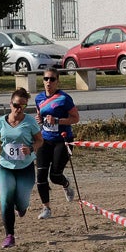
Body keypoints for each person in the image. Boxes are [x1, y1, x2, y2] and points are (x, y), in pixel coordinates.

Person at [0, 88, 43, 249]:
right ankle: (9, 236)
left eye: (23, 106)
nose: (19, 109)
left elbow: (40, 140)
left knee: (22, 202)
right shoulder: (0, 122)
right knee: (6, 199)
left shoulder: (30, 122)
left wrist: (31, 148)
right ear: (10, 104)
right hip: (5, 167)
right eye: (17, 105)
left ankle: (21, 207)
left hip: (25, 168)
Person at [35, 70, 80, 219]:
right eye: (46, 79)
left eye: (52, 79)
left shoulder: (64, 98)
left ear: (57, 81)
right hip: (45, 140)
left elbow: (75, 118)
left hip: (62, 140)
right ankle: (46, 208)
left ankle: (66, 184)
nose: (49, 82)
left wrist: (57, 121)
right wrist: (40, 120)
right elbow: (41, 116)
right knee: (40, 175)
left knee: (54, 176)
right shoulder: (39, 98)